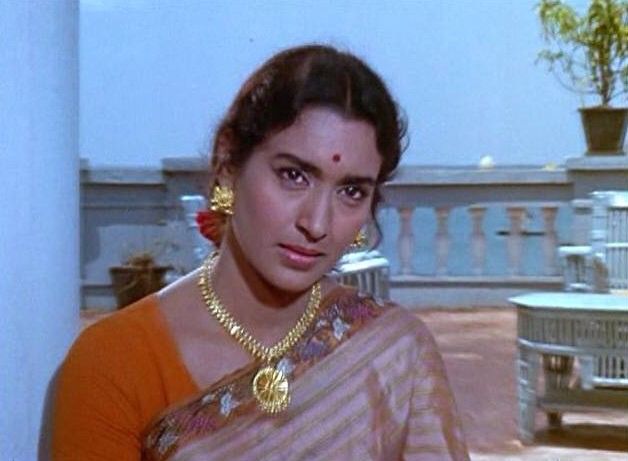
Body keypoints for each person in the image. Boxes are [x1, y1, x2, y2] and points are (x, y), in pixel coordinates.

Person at [52, 44, 469, 460]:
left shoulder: (396, 353)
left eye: (351, 191)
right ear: (229, 162)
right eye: (294, 175)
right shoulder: (113, 364)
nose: (317, 223)